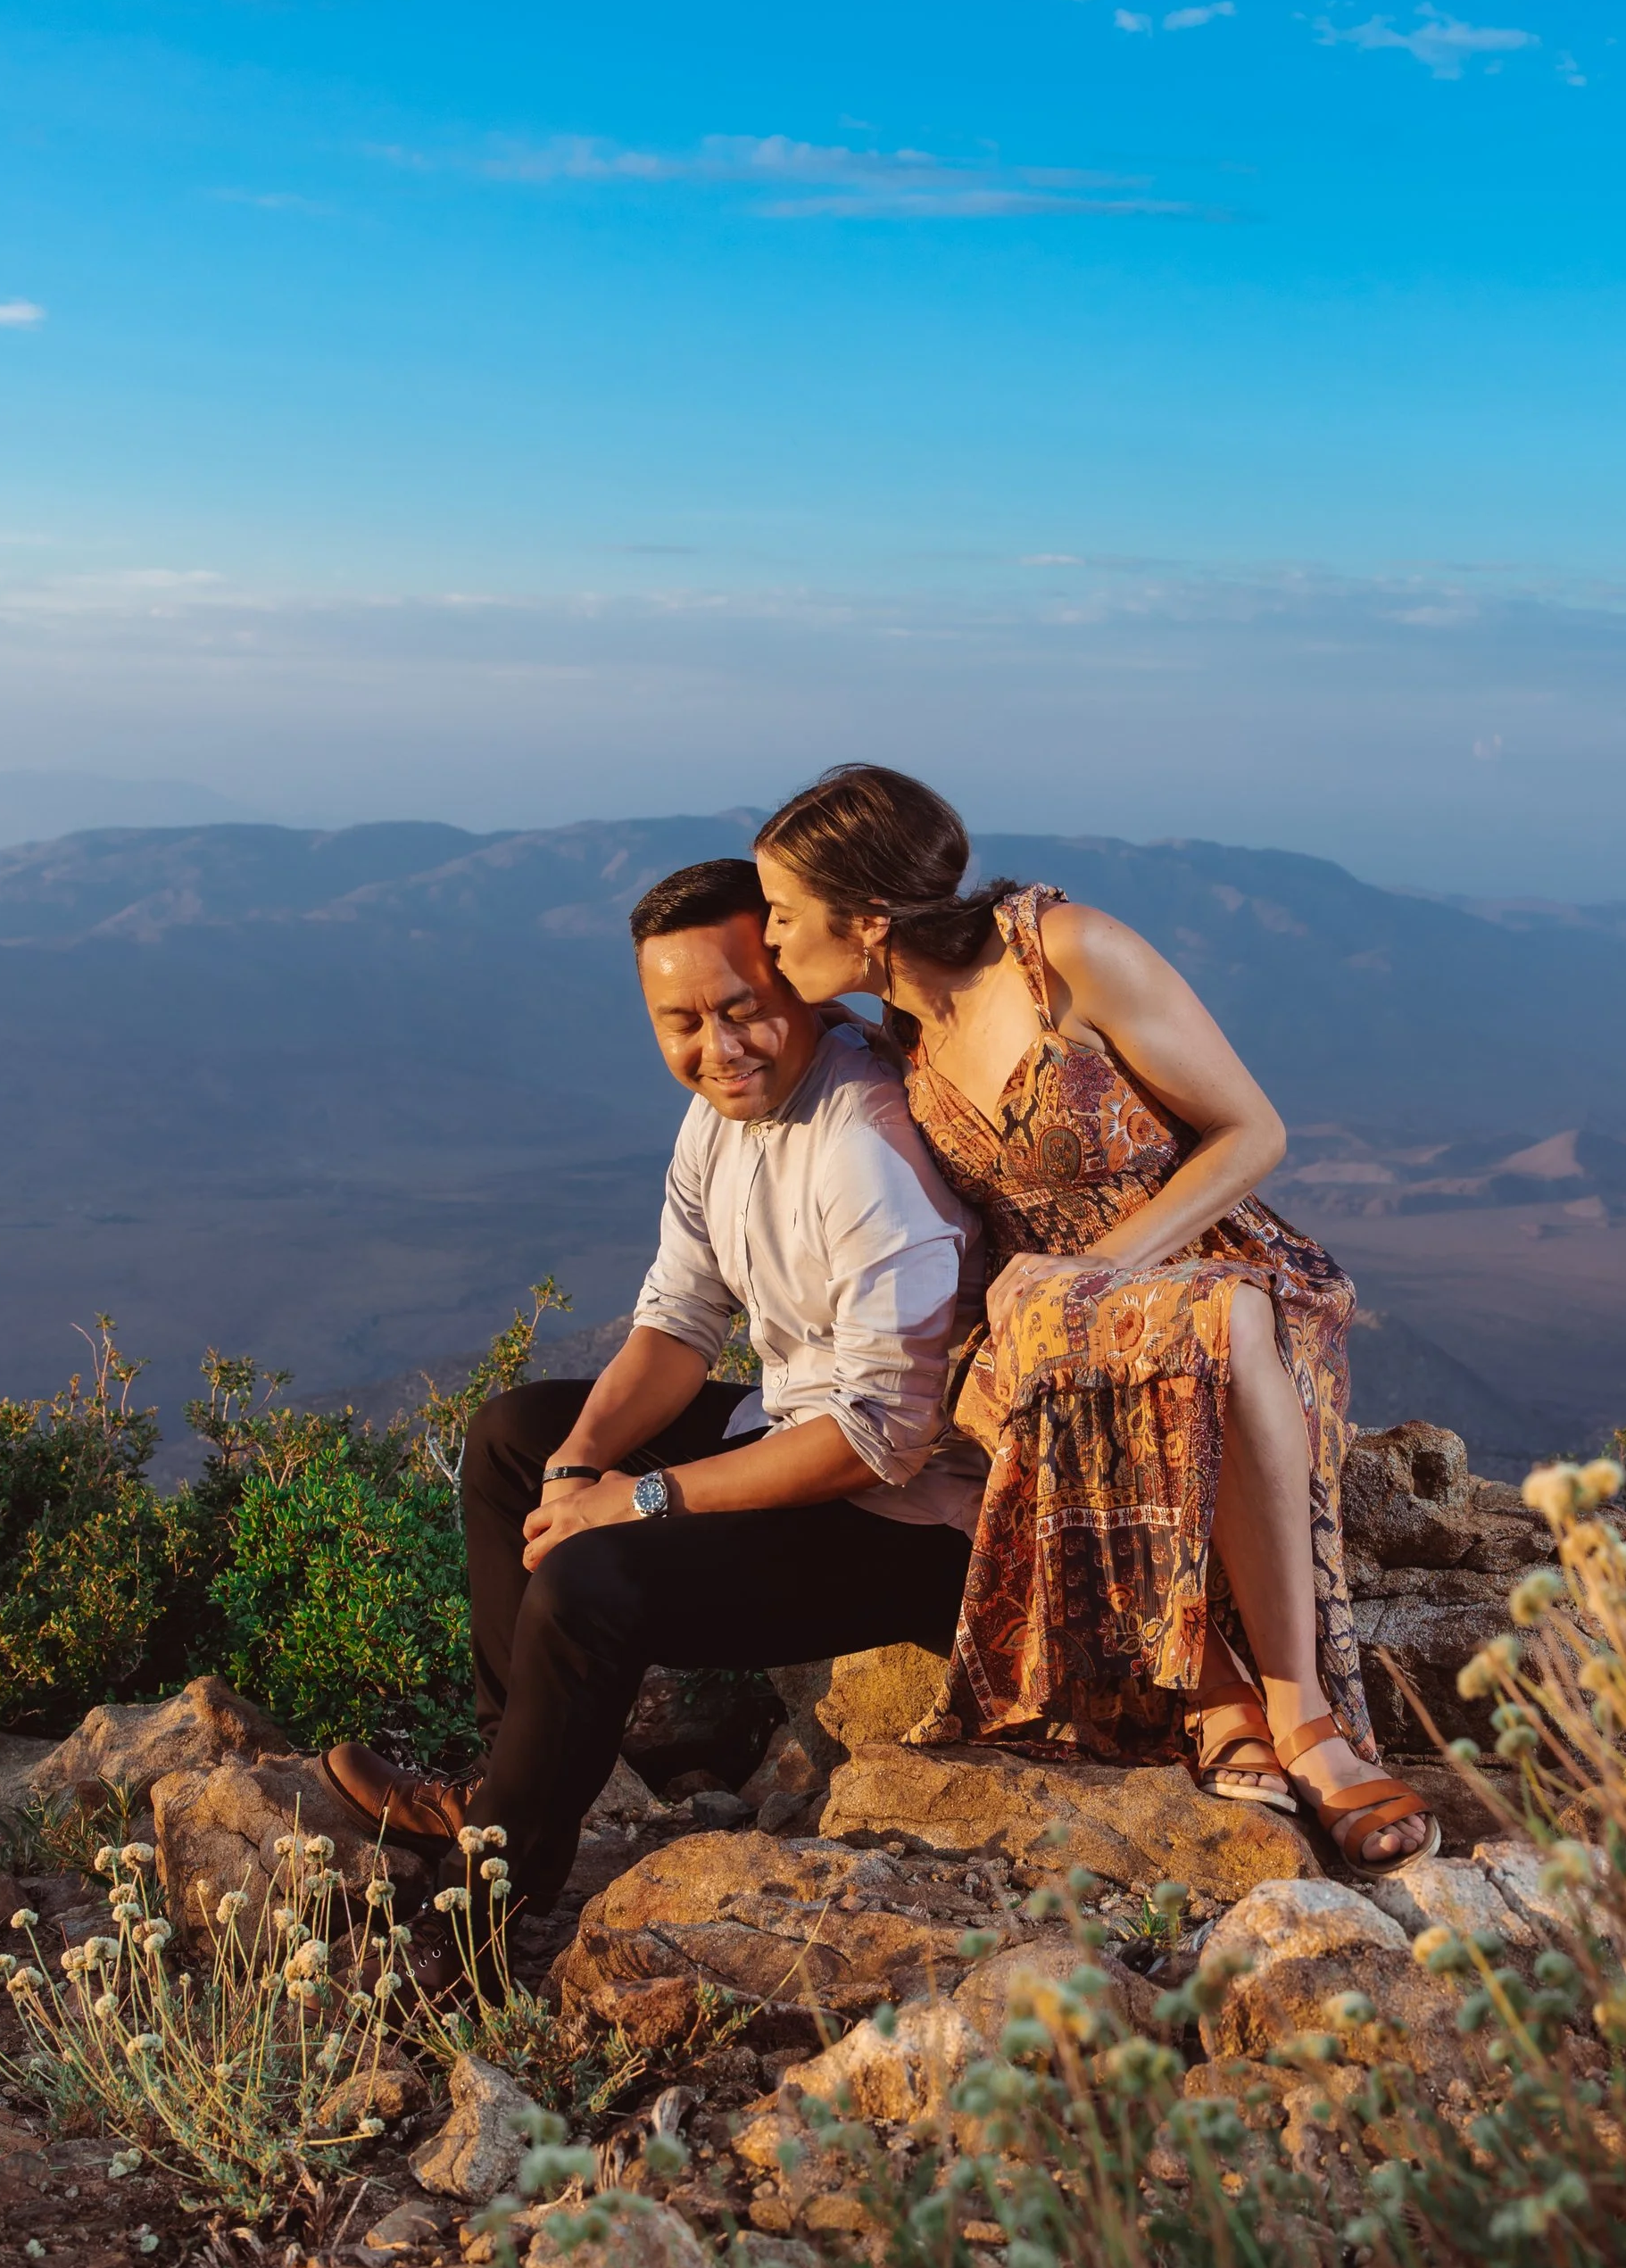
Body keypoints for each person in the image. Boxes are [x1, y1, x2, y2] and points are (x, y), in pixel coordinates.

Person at [753, 767, 1438, 1873]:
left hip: (1201, 1263)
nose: (771, 939)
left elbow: (1252, 1134)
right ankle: (1208, 1693)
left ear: (868, 921)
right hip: (1047, 1320)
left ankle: (1300, 1710)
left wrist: (1099, 1266)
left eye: (784, 915)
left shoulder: (1062, 954)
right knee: (961, 1400)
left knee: (1208, 1326)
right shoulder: (892, 1024)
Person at [319, 856, 985, 1916]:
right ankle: (508, 1788)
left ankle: (495, 1903)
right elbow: (678, 1322)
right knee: (512, 1440)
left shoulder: (863, 1143)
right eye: (680, 1021)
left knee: (596, 1585)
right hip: (798, 1426)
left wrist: (635, 1501)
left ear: (796, 982)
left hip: (915, 1523)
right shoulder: (722, 1117)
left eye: (741, 1010)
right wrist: (577, 1470)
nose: (715, 1049)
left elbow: (880, 1438)